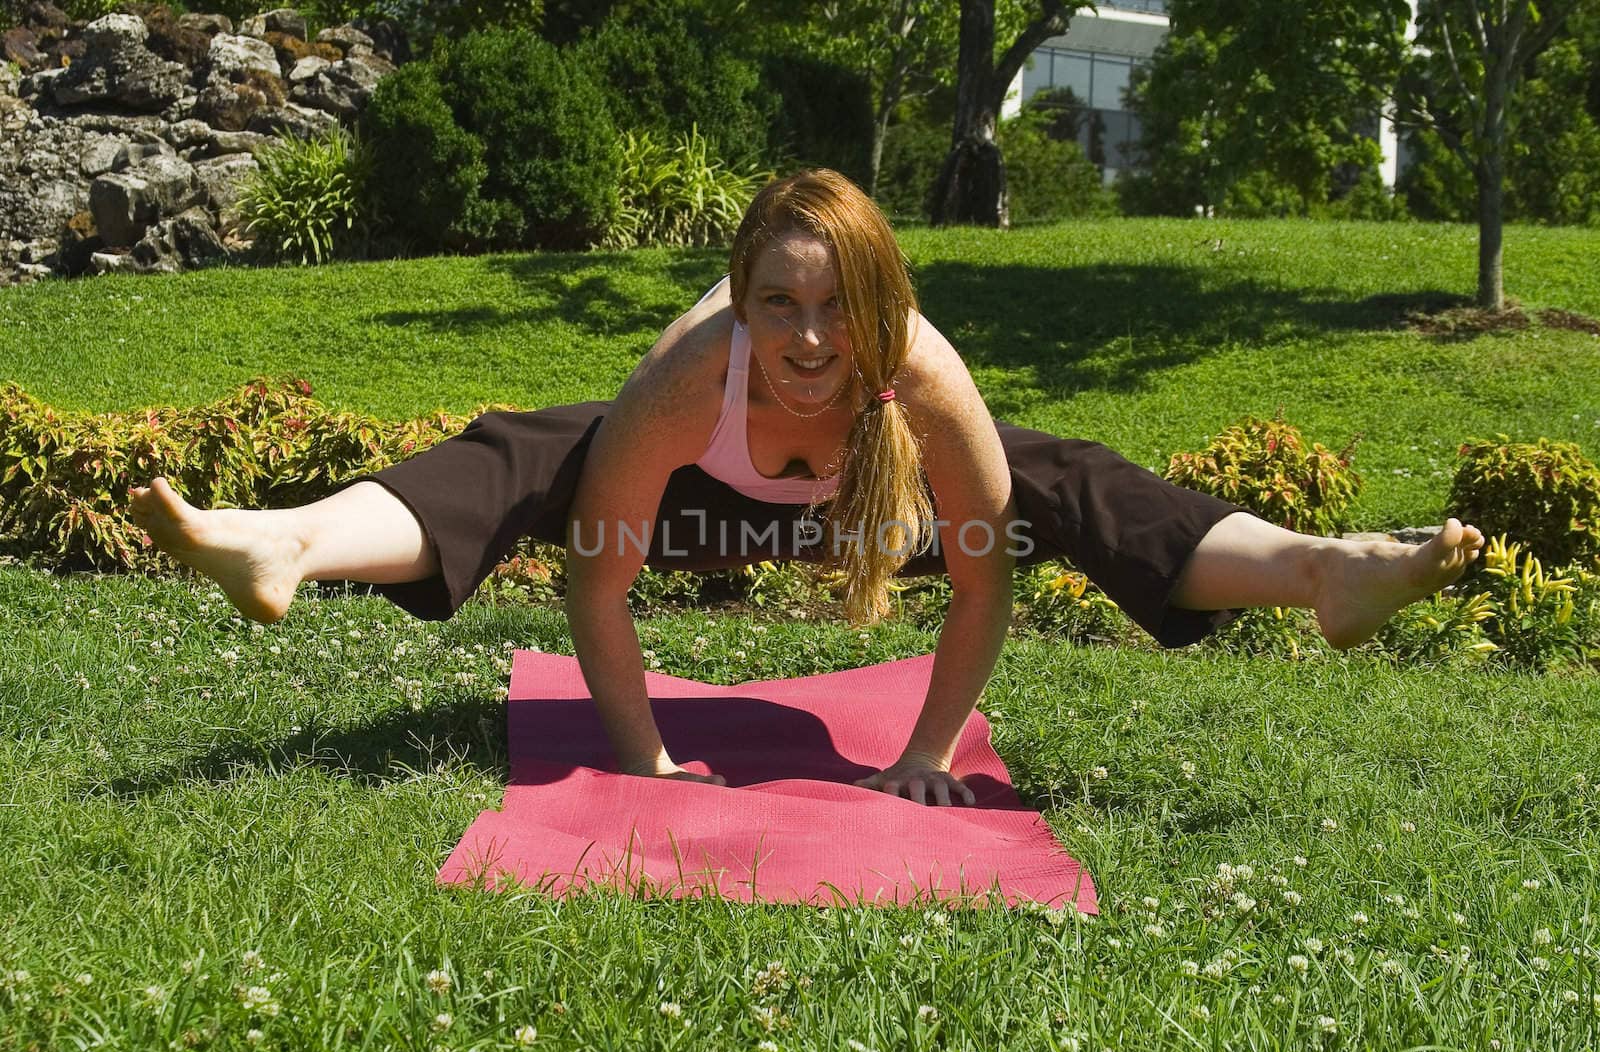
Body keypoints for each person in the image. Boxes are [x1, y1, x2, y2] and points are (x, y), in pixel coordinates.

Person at [129, 170, 1485, 807]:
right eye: (775, 303)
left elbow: (980, 579)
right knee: (531, 449)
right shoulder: (688, 376)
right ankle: (292, 543)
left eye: (834, 307)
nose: (806, 338)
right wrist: (644, 756)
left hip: (869, 493)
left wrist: (927, 753)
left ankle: (1324, 568)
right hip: (687, 512)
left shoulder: (925, 381)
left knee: (1063, 479)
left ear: (879, 306)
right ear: (741, 303)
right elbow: (599, 579)